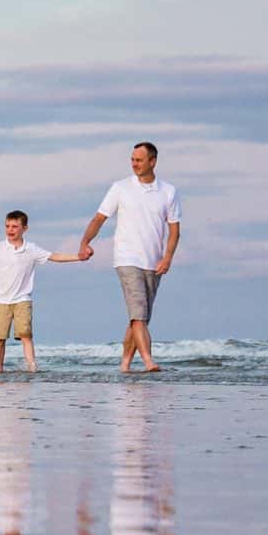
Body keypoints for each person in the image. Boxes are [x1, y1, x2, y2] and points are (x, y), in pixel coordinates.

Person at [76, 142, 183, 374]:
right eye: (132, 159)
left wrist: (167, 258)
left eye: (139, 160)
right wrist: (85, 242)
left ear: (152, 161)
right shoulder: (120, 188)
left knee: (140, 317)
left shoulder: (168, 191)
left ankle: (125, 364)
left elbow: (174, 230)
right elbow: (99, 218)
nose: (134, 164)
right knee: (138, 314)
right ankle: (149, 362)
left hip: (154, 262)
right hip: (127, 258)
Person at [0, 209, 90, 372]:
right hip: (2, 301)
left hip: (23, 299)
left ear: (24, 228)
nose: (10, 230)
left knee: (25, 335)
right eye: (7, 226)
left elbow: (54, 256)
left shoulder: (31, 248)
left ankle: (32, 367)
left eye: (14, 226)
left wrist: (78, 257)